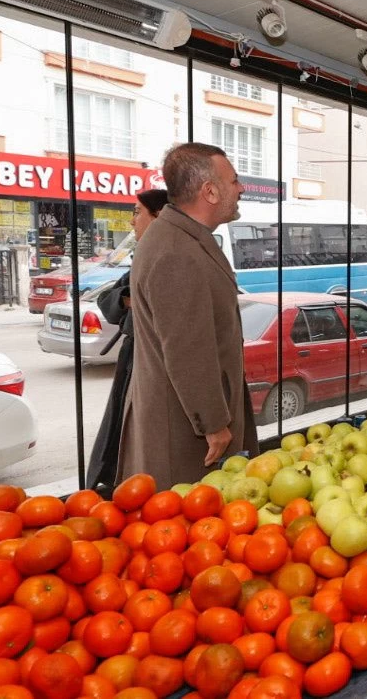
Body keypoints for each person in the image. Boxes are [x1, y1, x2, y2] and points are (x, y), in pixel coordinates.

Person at [117, 143, 258, 488]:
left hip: (186, 423)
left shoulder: (183, 238)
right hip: (185, 437)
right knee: (185, 530)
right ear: (209, 191)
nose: (241, 189)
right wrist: (213, 424)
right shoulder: (176, 251)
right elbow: (186, 349)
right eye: (234, 181)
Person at [85, 189, 169, 491]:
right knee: (120, 432)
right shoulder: (142, 257)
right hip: (134, 358)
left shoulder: (171, 255)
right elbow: (109, 299)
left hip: (159, 365)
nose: (133, 221)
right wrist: (128, 300)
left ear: (158, 215)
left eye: (137, 212)